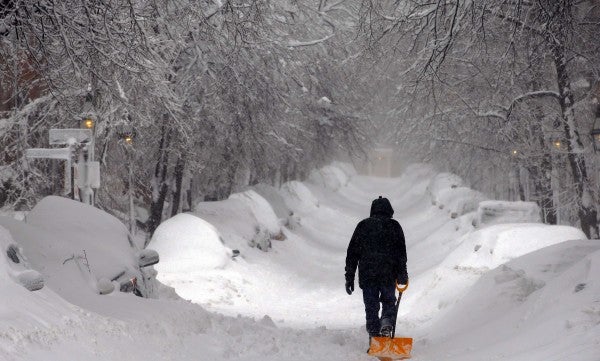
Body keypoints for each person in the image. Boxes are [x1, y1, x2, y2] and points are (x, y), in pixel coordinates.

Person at [345, 196, 408, 340]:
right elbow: (401, 254)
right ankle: (386, 322)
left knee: (371, 306)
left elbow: (352, 254)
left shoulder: (363, 226)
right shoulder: (395, 226)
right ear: (389, 210)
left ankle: (374, 336)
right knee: (388, 301)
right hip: (388, 274)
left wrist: (350, 277)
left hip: (368, 276)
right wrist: (402, 274)